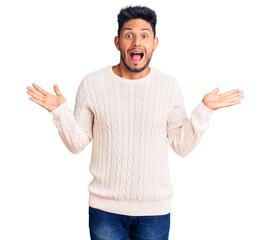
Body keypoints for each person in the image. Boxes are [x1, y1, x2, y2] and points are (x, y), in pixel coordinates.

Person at [26, 5, 244, 240]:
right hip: (104, 210)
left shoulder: (168, 87)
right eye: (129, 35)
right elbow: (76, 144)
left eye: (144, 35)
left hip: (155, 212)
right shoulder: (92, 84)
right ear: (117, 42)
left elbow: (181, 146)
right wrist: (60, 112)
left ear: (155, 43)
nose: (136, 42)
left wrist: (204, 110)